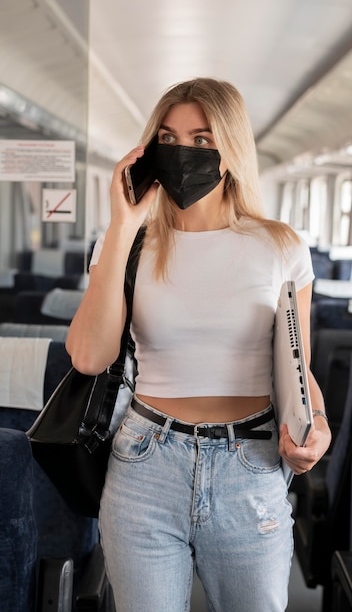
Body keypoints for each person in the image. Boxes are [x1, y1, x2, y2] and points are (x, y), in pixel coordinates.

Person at [66, 77, 331, 612]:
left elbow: (297, 366)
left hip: (250, 464)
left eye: (203, 141)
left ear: (230, 150)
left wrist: (317, 425)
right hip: (145, 463)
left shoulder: (280, 246)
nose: (183, 153)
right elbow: (90, 356)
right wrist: (122, 224)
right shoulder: (127, 242)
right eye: (168, 138)